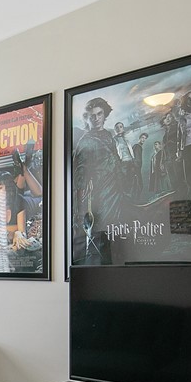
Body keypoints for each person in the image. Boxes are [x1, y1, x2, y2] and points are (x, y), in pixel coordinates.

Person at [72, 97, 125, 264]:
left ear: (105, 114)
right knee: (99, 233)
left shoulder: (108, 135)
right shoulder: (86, 141)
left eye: (99, 114)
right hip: (100, 194)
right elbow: (79, 169)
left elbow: (115, 158)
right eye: (92, 115)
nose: (96, 118)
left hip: (115, 189)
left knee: (114, 232)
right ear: (88, 118)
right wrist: (85, 181)